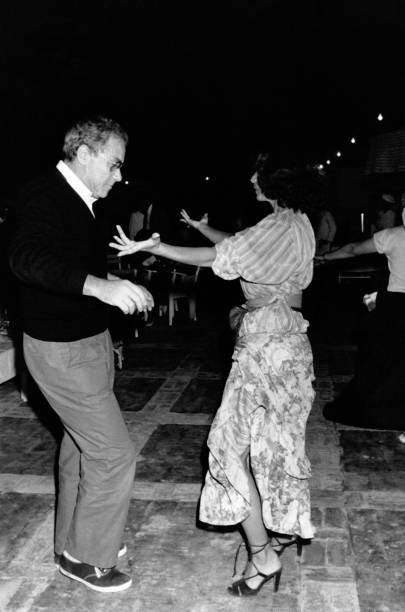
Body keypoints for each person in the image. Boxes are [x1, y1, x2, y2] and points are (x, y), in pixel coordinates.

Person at [110, 156, 323, 597]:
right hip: (289, 345)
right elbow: (241, 245)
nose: (249, 178)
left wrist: (154, 247)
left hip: (266, 351)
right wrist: (206, 228)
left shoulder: (278, 227)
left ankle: (263, 555)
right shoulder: (294, 222)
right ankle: (280, 533)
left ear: (275, 182)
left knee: (228, 450)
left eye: (257, 174)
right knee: (276, 450)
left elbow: (219, 257)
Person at [8, 116, 154, 593]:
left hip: (87, 343)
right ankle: (86, 559)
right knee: (114, 455)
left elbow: (69, 267)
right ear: (85, 152)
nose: (118, 176)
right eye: (114, 165)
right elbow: (26, 260)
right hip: (60, 351)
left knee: (80, 448)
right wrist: (102, 287)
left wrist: (117, 283)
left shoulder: (85, 202)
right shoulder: (42, 196)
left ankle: (73, 538)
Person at [317, 213, 405, 437]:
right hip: (394, 306)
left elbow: (353, 249)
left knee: (382, 359)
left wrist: (326, 257)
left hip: (397, 307)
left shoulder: (394, 236)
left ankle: (381, 411)